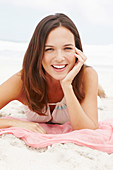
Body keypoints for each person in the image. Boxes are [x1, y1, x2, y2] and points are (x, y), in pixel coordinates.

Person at [0, 13, 100, 134]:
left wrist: (67, 86)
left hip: (81, 85)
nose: (59, 58)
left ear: (77, 50)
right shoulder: (23, 80)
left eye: (67, 48)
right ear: (38, 53)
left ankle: (100, 90)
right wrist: (14, 123)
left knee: (100, 94)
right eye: (49, 49)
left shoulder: (87, 76)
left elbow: (88, 130)